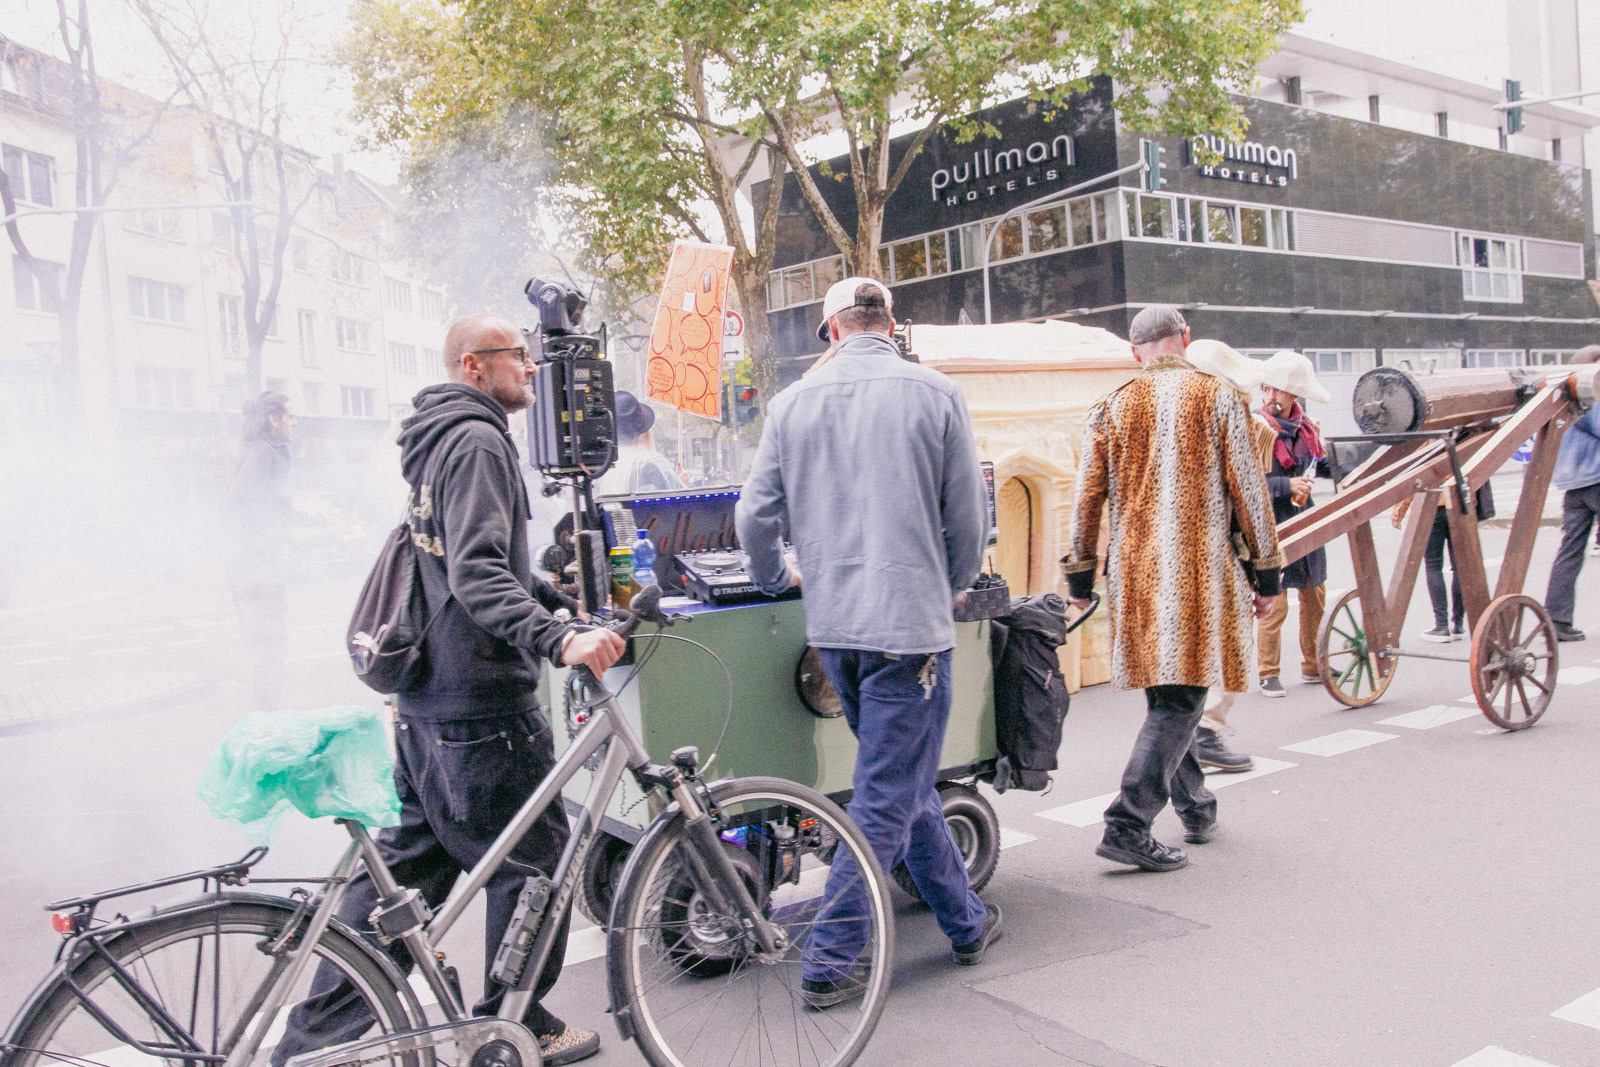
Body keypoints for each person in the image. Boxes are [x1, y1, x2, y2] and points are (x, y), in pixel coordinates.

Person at [274, 314, 624, 1067]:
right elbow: (475, 573)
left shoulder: (438, 439)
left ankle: (306, 1045)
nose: (530, 367)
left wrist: (558, 604)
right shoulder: (477, 441)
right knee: (536, 864)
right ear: (474, 365)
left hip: (428, 704)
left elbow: (475, 561)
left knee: (404, 881)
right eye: (517, 357)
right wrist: (557, 639)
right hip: (482, 704)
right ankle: (514, 1027)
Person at [736, 277, 1002, 1006]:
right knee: (887, 797)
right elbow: (969, 518)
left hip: (835, 632)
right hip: (908, 631)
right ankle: (830, 958)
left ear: (831, 331)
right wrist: (952, 582)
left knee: (899, 781)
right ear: (891, 322)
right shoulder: (937, 394)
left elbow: (754, 518)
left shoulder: (792, 405)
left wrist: (776, 578)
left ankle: (966, 921)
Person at [1063, 306, 1281, 872]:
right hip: (1198, 570)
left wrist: (1081, 576)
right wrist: (1267, 573)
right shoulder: (1220, 397)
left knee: (1169, 694)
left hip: (1136, 573)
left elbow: (1086, 499)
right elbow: (1249, 490)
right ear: (1185, 338)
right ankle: (1128, 823)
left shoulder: (1110, 406)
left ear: (1134, 350)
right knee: (1183, 698)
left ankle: (1196, 807)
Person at [1182, 340, 1278, 774]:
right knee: (1228, 645)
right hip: (1215, 556)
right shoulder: (1230, 421)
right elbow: (1250, 503)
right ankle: (1205, 730)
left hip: (1165, 558)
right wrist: (1265, 575)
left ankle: (1188, 749)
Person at [1255, 350, 1334, 697]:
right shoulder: (1255, 428)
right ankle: (1268, 672)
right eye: (1266, 389)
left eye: (1278, 390)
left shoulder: (1308, 428)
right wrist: (1287, 485)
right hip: (1270, 522)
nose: (1270, 397)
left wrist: (1344, 464)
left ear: (1294, 395)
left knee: (1315, 594)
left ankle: (1314, 664)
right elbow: (1245, 482)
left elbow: (1322, 465)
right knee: (1275, 601)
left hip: (1305, 518)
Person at [228, 391, 296, 713]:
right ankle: (268, 718)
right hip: (258, 571)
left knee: (267, 646)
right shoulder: (262, 453)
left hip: (259, 567)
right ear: (273, 419)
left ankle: (268, 714)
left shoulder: (264, 452)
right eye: (290, 417)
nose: (295, 423)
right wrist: (268, 546)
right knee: (268, 646)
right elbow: (243, 504)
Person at [1543, 344, 1600, 642]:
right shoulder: (1590, 396)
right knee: (1571, 551)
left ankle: (1557, 619)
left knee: (1570, 551)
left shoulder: (1562, 397)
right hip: (1597, 477)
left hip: (1573, 484)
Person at [1392, 483, 1495, 641]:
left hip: (1432, 505)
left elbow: (1418, 478)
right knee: (1459, 566)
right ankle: (1458, 624)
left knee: (1433, 566)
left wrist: (1399, 509)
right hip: (1460, 503)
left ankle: (1441, 625)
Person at [592, 390, 685, 496]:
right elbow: (681, 502)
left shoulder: (600, 471)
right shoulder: (654, 465)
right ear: (644, 432)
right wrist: (683, 484)